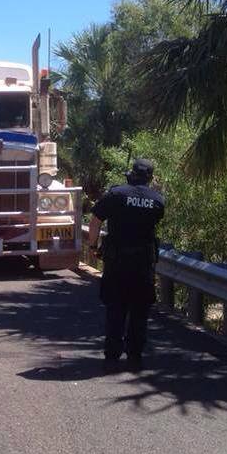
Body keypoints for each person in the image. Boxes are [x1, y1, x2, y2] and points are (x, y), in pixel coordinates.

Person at [88, 158, 165, 372]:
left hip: (117, 263)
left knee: (116, 309)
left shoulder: (116, 194)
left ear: (131, 173)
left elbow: (95, 221)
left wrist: (93, 247)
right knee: (140, 311)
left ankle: (112, 356)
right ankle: (135, 357)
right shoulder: (157, 200)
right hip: (143, 264)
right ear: (150, 177)